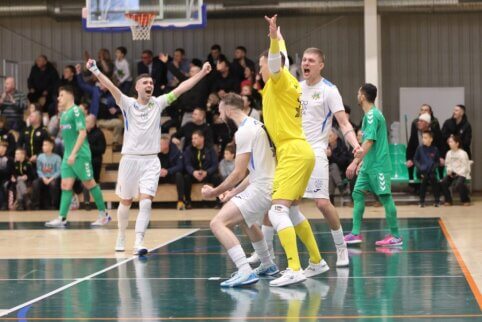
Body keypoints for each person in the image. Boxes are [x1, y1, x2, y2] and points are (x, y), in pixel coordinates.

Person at [88, 57, 212, 255]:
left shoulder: (158, 103)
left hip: (150, 160)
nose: (149, 85)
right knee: (126, 201)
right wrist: (95, 70)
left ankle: (139, 241)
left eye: (151, 83)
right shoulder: (126, 103)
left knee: (146, 201)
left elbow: (182, 88)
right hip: (130, 159)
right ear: (137, 87)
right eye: (145, 82)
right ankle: (121, 235)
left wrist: (202, 73)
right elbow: (110, 86)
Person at [258, 15, 327, 287]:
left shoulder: (281, 80)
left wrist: (273, 40)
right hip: (300, 151)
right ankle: (316, 261)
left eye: (261, 65)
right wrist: (278, 34)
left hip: (293, 152)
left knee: (276, 211)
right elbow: (282, 56)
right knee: (293, 212)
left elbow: (277, 60)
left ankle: (294, 268)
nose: (260, 69)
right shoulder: (289, 81)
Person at [201, 93, 278, 287]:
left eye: (219, 110)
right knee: (245, 221)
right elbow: (253, 172)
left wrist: (213, 192)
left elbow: (237, 173)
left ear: (228, 110)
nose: (219, 114)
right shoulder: (256, 125)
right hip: (266, 183)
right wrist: (232, 193)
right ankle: (268, 264)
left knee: (217, 223)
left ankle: (245, 270)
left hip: (261, 188)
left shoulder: (243, 132)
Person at [344, 84, 402, 247]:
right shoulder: (369, 116)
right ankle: (355, 233)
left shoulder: (372, 116)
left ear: (362, 96)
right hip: (368, 165)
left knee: (385, 197)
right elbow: (370, 144)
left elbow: (369, 142)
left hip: (379, 166)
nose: (357, 95)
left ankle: (396, 236)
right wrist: (363, 161)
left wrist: (355, 162)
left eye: (358, 92)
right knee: (357, 194)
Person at [45, 86, 110, 228]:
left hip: (79, 155)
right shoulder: (63, 115)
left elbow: (82, 133)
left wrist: (74, 154)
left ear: (69, 95)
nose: (58, 98)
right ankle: (62, 217)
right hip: (68, 156)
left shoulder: (76, 111)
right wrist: (69, 154)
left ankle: (103, 215)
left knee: (90, 183)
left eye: (61, 95)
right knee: (65, 185)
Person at [183, 130, 221, 209]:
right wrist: (193, 172)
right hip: (194, 174)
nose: (193, 140)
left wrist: (207, 172)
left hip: (207, 174)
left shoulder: (210, 149)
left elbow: (215, 164)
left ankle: (219, 201)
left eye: (195, 138)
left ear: (202, 139)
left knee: (216, 177)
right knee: (186, 177)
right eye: (192, 138)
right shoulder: (188, 149)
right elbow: (187, 164)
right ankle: (188, 202)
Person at [441, 135, 471, 206]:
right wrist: (449, 171)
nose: (449, 143)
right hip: (452, 173)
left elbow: (465, 166)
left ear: (457, 143)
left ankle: (465, 199)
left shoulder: (463, 153)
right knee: (443, 182)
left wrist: (459, 173)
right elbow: (447, 164)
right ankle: (448, 200)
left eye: (451, 142)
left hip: (461, 174)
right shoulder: (448, 153)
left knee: (458, 184)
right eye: (449, 142)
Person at [413, 131, 441, 207]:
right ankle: (421, 201)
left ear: (431, 139)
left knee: (433, 178)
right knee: (424, 178)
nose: (423, 139)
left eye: (425, 138)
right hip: (421, 171)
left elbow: (437, 162)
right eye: (422, 138)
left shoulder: (435, 149)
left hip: (431, 171)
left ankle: (437, 201)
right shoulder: (419, 148)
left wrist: (433, 168)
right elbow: (415, 160)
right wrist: (420, 168)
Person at [32, 138, 61, 210]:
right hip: (43, 177)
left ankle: (54, 205)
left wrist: (50, 179)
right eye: (43, 145)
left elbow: (59, 171)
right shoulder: (40, 157)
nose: (43, 147)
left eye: (45, 145)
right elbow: (39, 170)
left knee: (53, 184)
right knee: (35, 183)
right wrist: (44, 178)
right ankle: (36, 205)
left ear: (51, 146)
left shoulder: (57, 157)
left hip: (53, 177)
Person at [158, 134, 185, 210]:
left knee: (179, 175)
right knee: (149, 176)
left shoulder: (176, 152)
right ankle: (146, 201)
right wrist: (157, 171)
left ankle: (180, 201)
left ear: (166, 145)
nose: (158, 146)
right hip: (159, 176)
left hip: (171, 175)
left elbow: (180, 166)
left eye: (160, 144)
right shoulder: (155, 153)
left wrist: (168, 171)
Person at [0, 142, 14, 210]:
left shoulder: (9, 159)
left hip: (6, 178)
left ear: (5, 148)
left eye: (2, 147)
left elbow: (8, 172)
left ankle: (4, 204)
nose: (1, 149)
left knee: (3, 186)